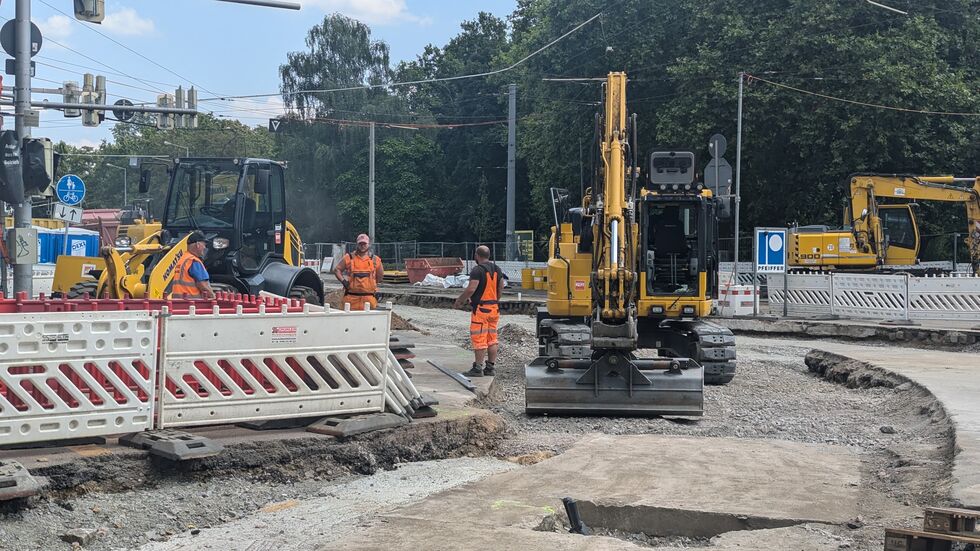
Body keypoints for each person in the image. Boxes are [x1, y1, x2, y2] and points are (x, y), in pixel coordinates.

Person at [454, 245, 504, 377]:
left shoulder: (477, 270)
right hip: (494, 309)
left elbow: (471, 289)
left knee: (480, 339)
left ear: (477, 255)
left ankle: (477, 368)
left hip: (481, 311)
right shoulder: (497, 269)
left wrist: (460, 300)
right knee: (492, 339)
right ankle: (490, 367)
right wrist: (495, 300)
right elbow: (501, 287)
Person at [334, 233, 384, 311]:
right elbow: (337, 270)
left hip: (369, 299)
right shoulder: (349, 258)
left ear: (369, 244)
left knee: (369, 322)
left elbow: (380, 276)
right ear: (357, 244)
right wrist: (344, 281)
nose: (362, 245)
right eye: (360, 243)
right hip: (351, 300)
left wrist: (372, 284)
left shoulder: (375, 260)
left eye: (364, 243)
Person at [171, 231, 216, 300]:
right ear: (198, 244)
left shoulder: (183, 259)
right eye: (204, 245)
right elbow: (203, 285)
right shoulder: (194, 261)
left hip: (178, 302)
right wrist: (214, 297)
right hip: (192, 304)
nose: (204, 248)